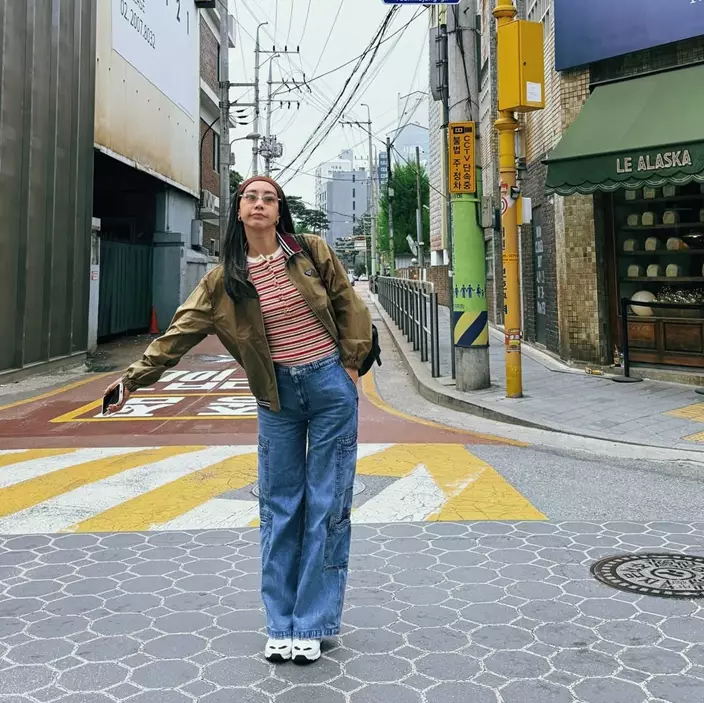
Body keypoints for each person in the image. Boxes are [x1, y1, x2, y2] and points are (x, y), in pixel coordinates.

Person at [104, 176, 372, 665]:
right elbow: (178, 334)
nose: (260, 204)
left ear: (279, 210)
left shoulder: (310, 251)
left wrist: (350, 366)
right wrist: (132, 379)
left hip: (329, 386)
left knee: (328, 504)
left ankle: (313, 623)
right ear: (239, 210)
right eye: (251, 197)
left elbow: (348, 304)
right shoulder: (222, 280)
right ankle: (281, 624)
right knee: (280, 507)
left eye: (269, 198)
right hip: (276, 397)